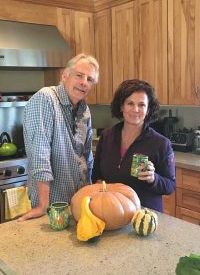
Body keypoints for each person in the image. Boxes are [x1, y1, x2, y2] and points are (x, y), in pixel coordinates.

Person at [18, 53, 99, 221]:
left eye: (90, 79)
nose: (84, 82)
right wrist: (43, 205)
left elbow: (87, 157)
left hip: (78, 202)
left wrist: (89, 193)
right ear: (65, 75)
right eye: (79, 75)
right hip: (53, 206)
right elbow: (40, 153)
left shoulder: (85, 111)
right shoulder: (46, 98)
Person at [92, 79, 175, 212]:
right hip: (112, 212)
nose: (135, 110)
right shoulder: (107, 136)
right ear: (121, 106)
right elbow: (96, 175)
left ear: (148, 110)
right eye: (130, 103)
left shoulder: (161, 144)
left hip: (145, 215)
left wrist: (153, 178)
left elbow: (170, 186)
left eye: (142, 105)